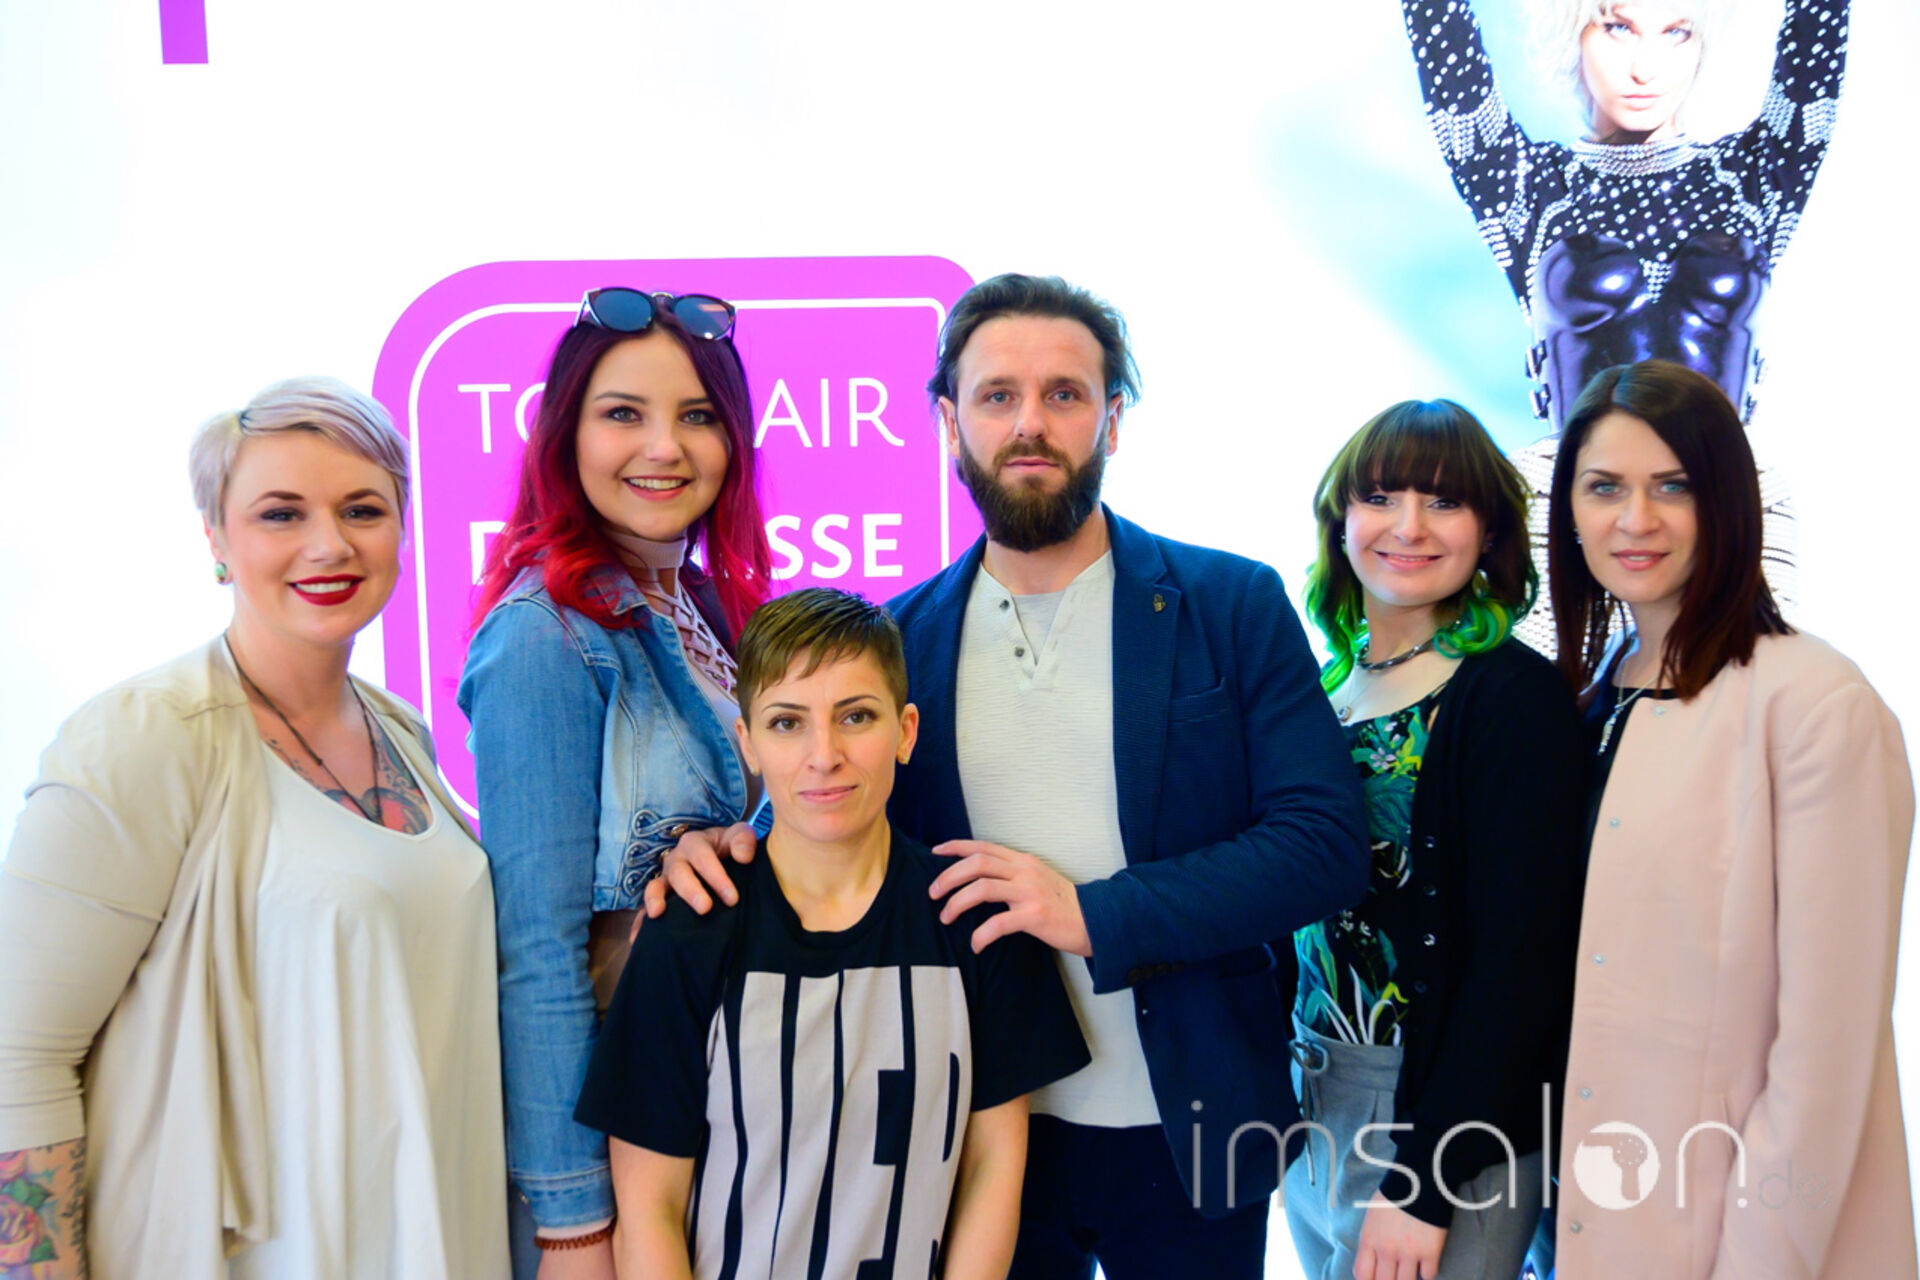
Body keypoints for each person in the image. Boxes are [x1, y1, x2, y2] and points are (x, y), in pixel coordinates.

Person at [647, 273, 1369, 1278]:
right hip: (971, 1134)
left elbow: (1323, 846)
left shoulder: (1230, 602)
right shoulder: (899, 638)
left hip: (1195, 1120)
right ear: (950, 422)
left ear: (1112, 420)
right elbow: (826, 823)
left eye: (1064, 394)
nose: (1030, 423)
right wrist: (726, 847)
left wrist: (1095, 913)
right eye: (997, 396)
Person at [0, 378, 508, 1278]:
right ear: (216, 538)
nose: (330, 544)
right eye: (281, 514)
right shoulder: (146, 736)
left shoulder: (401, 731)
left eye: (363, 509)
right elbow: (18, 1059)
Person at [576, 587, 1090, 1279]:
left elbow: (992, 1167)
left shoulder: (977, 920)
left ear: (905, 731)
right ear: (748, 742)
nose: (825, 755)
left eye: (856, 716)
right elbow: (649, 1210)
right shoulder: (689, 930)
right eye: (788, 723)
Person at [1547, 359, 1914, 1276]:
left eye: (1674, 486)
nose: (1636, 519)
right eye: (1605, 487)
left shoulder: (1816, 704)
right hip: (1592, 1206)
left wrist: (1761, 1260)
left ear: (1728, 504)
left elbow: (1826, 1052)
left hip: (1734, 1237)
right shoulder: (1593, 697)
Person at [457, 288, 773, 1276]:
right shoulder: (542, 636)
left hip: (740, 1124)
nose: (663, 448)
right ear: (567, 433)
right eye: (624, 413)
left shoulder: (715, 611)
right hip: (632, 1167)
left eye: (697, 415)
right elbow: (537, 953)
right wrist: (574, 1228)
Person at [1397, 0, 1847, 643]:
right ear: (1572, 32)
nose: (1645, 67)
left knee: (1752, 691)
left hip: (1724, 493)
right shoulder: (1526, 186)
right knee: (1545, 703)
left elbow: (1818, 26)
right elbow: (1441, 33)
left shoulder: (1755, 178)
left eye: (1676, 33)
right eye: (1618, 28)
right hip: (1568, 500)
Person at [1284, 400, 1587, 1280]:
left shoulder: (1511, 699)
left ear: (1489, 531)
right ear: (1340, 520)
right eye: (1380, 497)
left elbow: (1520, 968)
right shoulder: (1324, 690)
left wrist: (1426, 1179)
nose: (1409, 527)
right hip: (1312, 1098)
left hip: (1438, 1123)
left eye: (1445, 502)